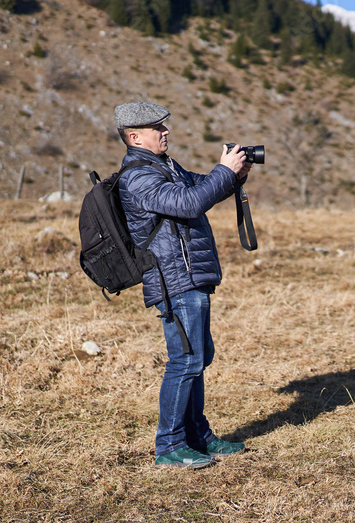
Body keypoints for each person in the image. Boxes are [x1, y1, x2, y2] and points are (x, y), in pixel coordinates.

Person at [114, 100, 252, 469]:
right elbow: (190, 204)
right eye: (158, 128)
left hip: (190, 275)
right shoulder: (138, 176)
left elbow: (204, 189)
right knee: (185, 360)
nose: (166, 132)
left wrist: (233, 174)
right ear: (135, 136)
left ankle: (197, 436)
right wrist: (223, 172)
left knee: (198, 357)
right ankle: (170, 446)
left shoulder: (164, 167)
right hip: (174, 279)